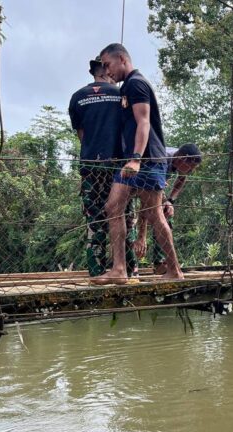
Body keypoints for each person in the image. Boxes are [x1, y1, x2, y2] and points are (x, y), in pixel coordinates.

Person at [94, 43, 183, 284]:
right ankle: (119, 269)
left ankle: (174, 269)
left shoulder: (136, 83)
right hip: (132, 161)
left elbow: (143, 122)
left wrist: (135, 158)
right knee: (113, 208)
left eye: (108, 65)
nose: (106, 71)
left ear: (122, 59)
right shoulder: (127, 87)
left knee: (154, 214)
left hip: (146, 160)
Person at [68, 55, 138, 279]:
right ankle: (130, 270)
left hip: (91, 165)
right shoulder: (120, 95)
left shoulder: (77, 98)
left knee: (95, 219)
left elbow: (83, 136)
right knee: (125, 216)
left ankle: (96, 272)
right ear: (107, 71)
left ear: (93, 73)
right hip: (119, 166)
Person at [133, 143, 202, 274]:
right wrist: (142, 236)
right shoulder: (162, 159)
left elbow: (182, 179)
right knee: (131, 220)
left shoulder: (180, 160)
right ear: (182, 158)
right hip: (134, 181)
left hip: (153, 186)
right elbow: (146, 202)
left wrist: (170, 201)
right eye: (190, 167)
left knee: (166, 212)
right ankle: (131, 265)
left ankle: (160, 262)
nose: (191, 171)